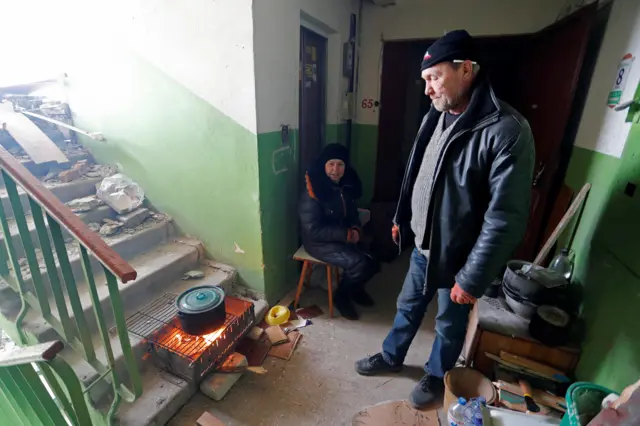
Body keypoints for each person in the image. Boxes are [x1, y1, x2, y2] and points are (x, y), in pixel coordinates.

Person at [354, 30, 535, 409]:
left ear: (466, 70)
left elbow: (505, 219)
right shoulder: (435, 117)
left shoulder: (507, 131)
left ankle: (437, 374)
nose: (428, 90)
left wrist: (471, 278)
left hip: (458, 256)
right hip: (422, 244)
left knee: (449, 324)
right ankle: (392, 356)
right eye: (425, 81)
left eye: (434, 77)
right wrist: (403, 217)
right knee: (407, 305)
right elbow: (418, 172)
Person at [299, 143, 378, 320]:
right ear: (323, 166)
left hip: (341, 235)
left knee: (374, 258)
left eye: (340, 164)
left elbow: (352, 213)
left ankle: (354, 289)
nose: (336, 169)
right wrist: (346, 235)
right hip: (318, 242)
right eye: (331, 164)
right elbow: (313, 229)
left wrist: (356, 228)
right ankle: (341, 297)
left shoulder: (344, 185)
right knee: (359, 263)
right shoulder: (313, 191)